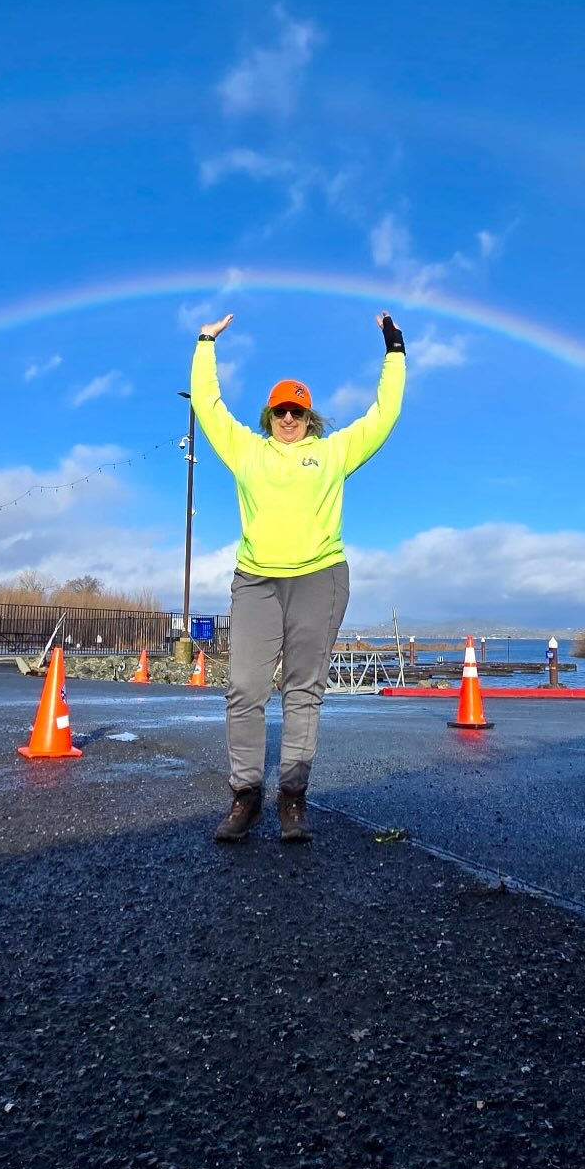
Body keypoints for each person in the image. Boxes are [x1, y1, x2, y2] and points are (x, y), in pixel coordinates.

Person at [191, 310, 406, 843]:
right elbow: (208, 407)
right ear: (269, 415)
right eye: (282, 410)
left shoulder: (333, 453)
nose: (290, 418)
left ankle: (292, 797)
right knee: (244, 688)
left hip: (320, 578)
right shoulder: (246, 452)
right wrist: (204, 344)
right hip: (256, 580)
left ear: (310, 419)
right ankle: (245, 796)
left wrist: (394, 348)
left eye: (299, 411)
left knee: (303, 690)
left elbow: (384, 414)